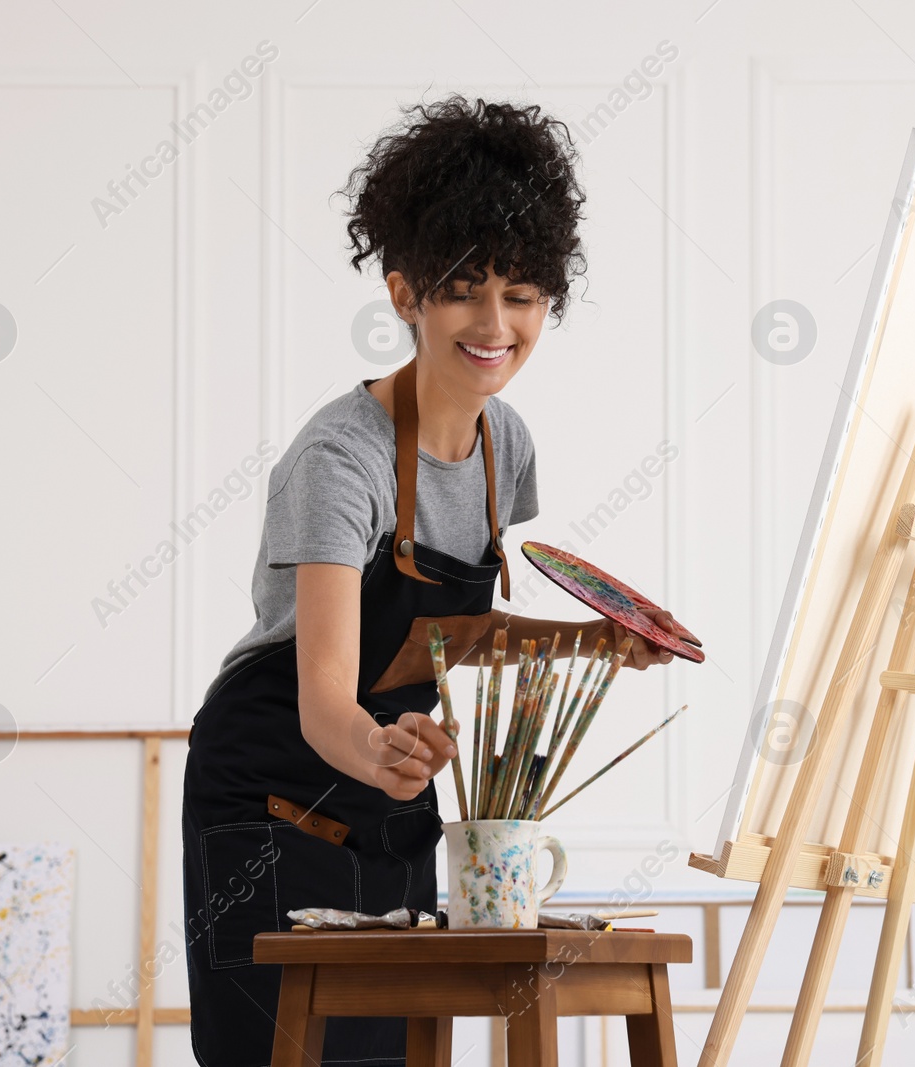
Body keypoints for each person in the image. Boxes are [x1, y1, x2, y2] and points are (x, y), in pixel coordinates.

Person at [181, 94, 675, 1067]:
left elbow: (451, 639)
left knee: (389, 1053)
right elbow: (328, 691)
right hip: (276, 781)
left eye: (524, 293)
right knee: (282, 1052)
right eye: (463, 289)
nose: (495, 323)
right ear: (406, 293)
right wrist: (380, 752)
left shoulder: (506, 445)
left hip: (393, 791)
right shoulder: (341, 459)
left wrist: (597, 644)